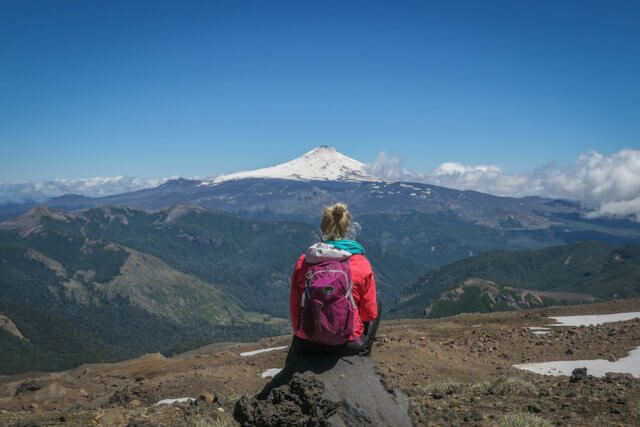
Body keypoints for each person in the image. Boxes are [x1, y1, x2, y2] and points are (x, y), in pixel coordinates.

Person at [288, 202, 381, 357]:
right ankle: (363, 353)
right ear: (347, 228)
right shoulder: (360, 263)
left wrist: (300, 334)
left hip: (309, 340)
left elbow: (295, 306)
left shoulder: (305, 261)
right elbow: (369, 314)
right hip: (347, 342)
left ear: (323, 228)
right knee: (377, 303)